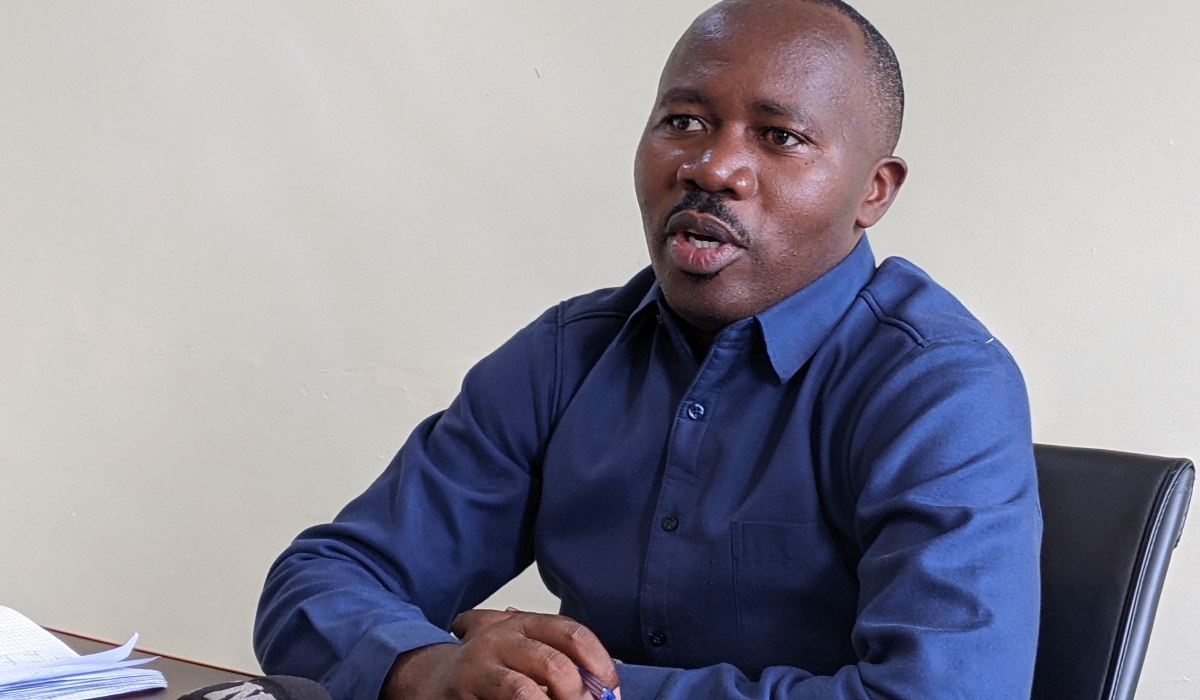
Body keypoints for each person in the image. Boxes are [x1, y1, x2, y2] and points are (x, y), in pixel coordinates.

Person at [254, 1, 1043, 699]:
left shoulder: (939, 387)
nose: (712, 167)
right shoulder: (566, 356)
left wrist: (575, 687)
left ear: (874, 190)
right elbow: (320, 581)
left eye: (779, 137)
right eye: (685, 121)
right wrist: (425, 670)